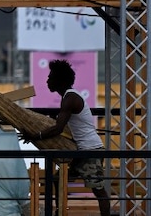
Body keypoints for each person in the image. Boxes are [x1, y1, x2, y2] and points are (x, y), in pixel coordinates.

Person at [19, 59, 111, 216]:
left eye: (51, 77)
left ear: (59, 80)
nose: (48, 80)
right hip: (82, 151)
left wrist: (36, 135)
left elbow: (58, 128)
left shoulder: (70, 99)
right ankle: (59, 212)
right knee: (57, 179)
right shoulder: (68, 97)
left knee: (98, 190)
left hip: (90, 151)